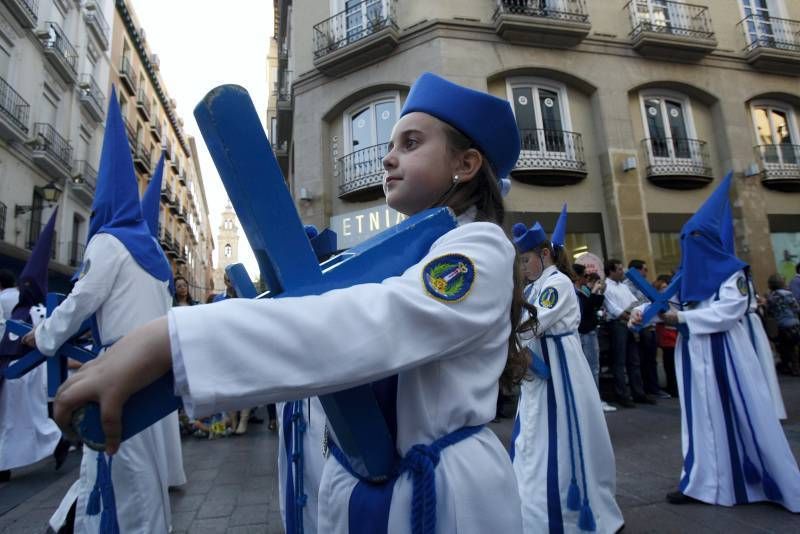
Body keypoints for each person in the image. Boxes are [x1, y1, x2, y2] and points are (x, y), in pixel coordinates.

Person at [53, 72, 535, 533]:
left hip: (443, 501)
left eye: (410, 143)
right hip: (379, 491)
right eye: (389, 144)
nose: (388, 157)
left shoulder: (479, 248)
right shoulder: (417, 249)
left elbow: (372, 323)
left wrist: (174, 340)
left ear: (466, 164)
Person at [27, 88, 176, 533]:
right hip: (154, 366)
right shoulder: (154, 252)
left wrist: (44, 335)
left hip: (120, 367)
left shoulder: (108, 242)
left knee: (116, 464)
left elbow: (81, 300)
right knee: (143, 469)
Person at [655, 174, 800, 511]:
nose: (688, 246)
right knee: (700, 418)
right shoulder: (686, 275)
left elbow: (729, 310)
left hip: (725, 353)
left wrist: (684, 319)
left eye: (693, 239)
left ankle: (752, 478)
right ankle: (701, 480)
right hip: (694, 352)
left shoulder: (732, 273)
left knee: (738, 414)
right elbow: (674, 303)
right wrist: (649, 314)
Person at [510, 221, 624, 533]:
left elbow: (532, 324)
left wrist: (500, 333)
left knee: (558, 438)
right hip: (540, 369)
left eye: (524, 261)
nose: (522, 268)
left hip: (560, 367)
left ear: (544, 254)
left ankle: (563, 516)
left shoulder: (556, 283)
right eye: (519, 263)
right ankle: (532, 511)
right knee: (534, 438)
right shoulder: (534, 286)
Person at [0, 211, 67, 484]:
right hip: (33, 369)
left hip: (13, 367)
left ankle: (6, 465)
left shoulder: (7, 300)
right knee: (27, 416)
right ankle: (54, 442)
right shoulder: (40, 307)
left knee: (13, 418)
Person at [603, 259, 653, 408]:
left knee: (634, 360)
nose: (622, 272)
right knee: (619, 361)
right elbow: (613, 309)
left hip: (631, 322)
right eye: (619, 269)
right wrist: (629, 316)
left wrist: (635, 314)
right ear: (611, 271)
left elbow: (635, 302)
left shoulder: (624, 287)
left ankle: (638, 393)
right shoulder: (606, 287)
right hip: (618, 325)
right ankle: (622, 395)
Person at [573, 264, 616, 414]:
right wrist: (594, 291)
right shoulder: (575, 291)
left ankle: (592, 400)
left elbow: (594, 306)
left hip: (588, 331)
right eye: (585, 276)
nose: (587, 278)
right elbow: (584, 311)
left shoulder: (582, 291)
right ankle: (594, 401)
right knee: (591, 368)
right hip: (584, 332)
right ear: (577, 277)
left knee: (592, 368)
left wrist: (597, 292)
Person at [625, 260, 670, 400]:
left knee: (651, 359)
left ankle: (654, 387)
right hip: (641, 325)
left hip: (651, 326)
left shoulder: (645, 285)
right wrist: (636, 313)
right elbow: (634, 305)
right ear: (636, 270)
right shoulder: (628, 287)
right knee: (642, 360)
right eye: (644, 269)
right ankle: (646, 388)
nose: (646, 272)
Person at [766, 274, 800, 377]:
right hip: (794, 324)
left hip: (781, 326)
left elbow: (770, 312)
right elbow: (796, 308)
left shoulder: (770, 297)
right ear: (782, 283)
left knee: (787, 348)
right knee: (796, 345)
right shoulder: (788, 294)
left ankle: (791, 367)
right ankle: (796, 366)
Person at [653, 275, 679, 398]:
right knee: (669, 360)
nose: (665, 289)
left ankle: (676, 385)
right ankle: (672, 386)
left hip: (675, 329)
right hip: (666, 330)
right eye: (663, 287)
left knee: (674, 360)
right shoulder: (660, 297)